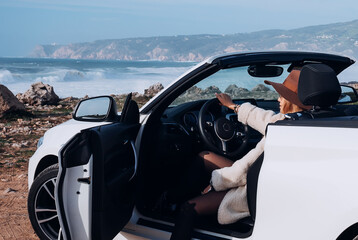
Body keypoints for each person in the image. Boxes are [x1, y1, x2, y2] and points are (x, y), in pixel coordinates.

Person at [170, 68, 311, 240]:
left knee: (188, 208)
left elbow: (241, 173)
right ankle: (169, 199)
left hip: (251, 189)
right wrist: (233, 107)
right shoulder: (303, 121)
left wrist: (213, 184)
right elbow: (264, 118)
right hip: (264, 180)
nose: (278, 99)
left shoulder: (282, 132)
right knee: (205, 156)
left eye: (282, 95)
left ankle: (172, 204)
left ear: (292, 101)